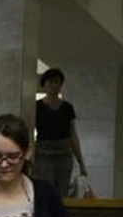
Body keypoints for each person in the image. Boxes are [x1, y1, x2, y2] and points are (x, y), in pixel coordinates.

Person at [35, 68, 87, 198]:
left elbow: (73, 134)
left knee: (62, 192)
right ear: (44, 84)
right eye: (50, 82)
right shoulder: (37, 107)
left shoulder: (67, 108)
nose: (54, 85)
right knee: (46, 190)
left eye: (57, 82)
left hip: (64, 155)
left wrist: (81, 162)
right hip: (43, 155)